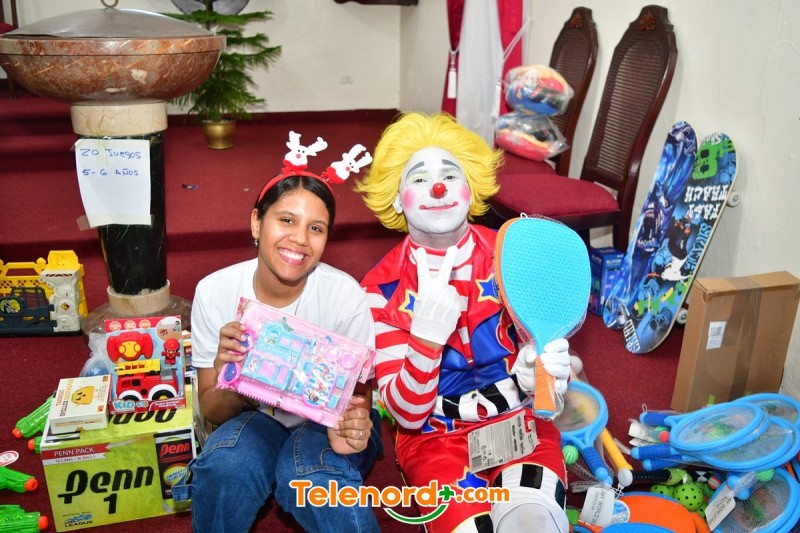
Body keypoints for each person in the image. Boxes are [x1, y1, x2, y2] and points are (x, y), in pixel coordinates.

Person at [356, 112, 571, 532]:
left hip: (519, 424)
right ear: (397, 199)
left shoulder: (514, 257)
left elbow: (547, 377)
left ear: (470, 189)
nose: (437, 189)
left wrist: (540, 376)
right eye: (419, 179)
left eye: (450, 176)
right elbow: (406, 415)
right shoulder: (379, 289)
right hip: (434, 439)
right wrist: (425, 340)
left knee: (533, 523)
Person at [173, 132, 382, 533]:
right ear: (257, 222)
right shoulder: (215, 291)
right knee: (224, 467)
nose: (299, 239)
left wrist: (351, 429)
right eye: (286, 220)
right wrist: (231, 372)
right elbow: (214, 411)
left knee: (311, 475)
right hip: (256, 417)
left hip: (324, 425)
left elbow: (357, 400)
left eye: (316, 228)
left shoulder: (344, 295)